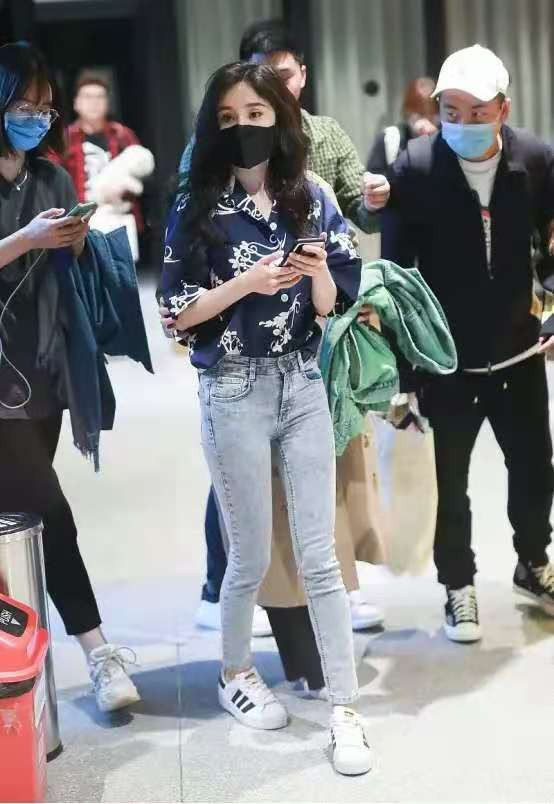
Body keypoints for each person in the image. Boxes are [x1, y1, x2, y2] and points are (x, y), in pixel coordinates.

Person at [161, 61, 371, 776]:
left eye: (255, 114)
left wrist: (317, 273)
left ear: (280, 116)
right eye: (227, 118)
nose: (243, 128)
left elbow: (331, 304)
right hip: (231, 389)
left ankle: (345, 707)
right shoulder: (196, 206)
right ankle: (234, 673)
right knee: (247, 553)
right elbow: (177, 315)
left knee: (319, 556)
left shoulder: (311, 195)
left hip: (302, 383)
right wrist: (245, 284)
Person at [180, 18, 389, 637]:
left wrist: (372, 201)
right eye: (258, 80)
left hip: (311, 346)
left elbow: (354, 223)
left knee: (326, 475)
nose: (273, 90)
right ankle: (223, 587)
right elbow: (186, 256)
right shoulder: (209, 155)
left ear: (302, 76)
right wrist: (241, 282)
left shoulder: (323, 142)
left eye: (285, 75)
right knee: (239, 484)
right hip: (235, 357)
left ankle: (334, 591)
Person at [381, 44, 554, 643]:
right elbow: (396, 274)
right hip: (444, 359)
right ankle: (458, 584)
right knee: (447, 482)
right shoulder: (416, 167)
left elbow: (552, 246)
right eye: (451, 111)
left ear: (504, 108)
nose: (463, 123)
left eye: (478, 112)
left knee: (534, 469)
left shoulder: (536, 160)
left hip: (518, 350)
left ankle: (533, 562)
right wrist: (404, 373)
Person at [0, 43, 140, 711]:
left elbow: (70, 265)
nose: (35, 117)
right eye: (23, 105)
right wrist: (25, 239)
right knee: (47, 510)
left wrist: (76, 241)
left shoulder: (52, 177)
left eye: (43, 107)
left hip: (46, 366)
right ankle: (97, 650)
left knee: (22, 515)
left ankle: (22, 662)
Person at [53, 72, 144, 240]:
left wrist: (124, 190)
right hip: (81, 219)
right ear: (76, 103)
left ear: (108, 102)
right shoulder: (65, 139)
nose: (94, 102)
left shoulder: (122, 135)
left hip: (120, 217)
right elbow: (52, 178)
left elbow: (143, 171)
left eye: (100, 97)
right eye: (88, 97)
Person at [367, 77, 438, 174]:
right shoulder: (390, 139)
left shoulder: (445, 139)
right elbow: (372, 176)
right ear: (407, 113)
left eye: (431, 116)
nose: (425, 123)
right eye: (420, 115)